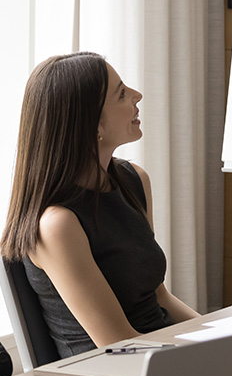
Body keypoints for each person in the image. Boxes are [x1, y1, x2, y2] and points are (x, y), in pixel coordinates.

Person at [1, 52, 199, 358]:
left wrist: (226, 337)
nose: (137, 96)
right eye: (121, 94)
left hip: (163, 358)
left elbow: (161, 297)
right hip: (111, 375)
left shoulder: (135, 180)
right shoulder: (58, 224)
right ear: (92, 125)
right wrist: (203, 356)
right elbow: (117, 342)